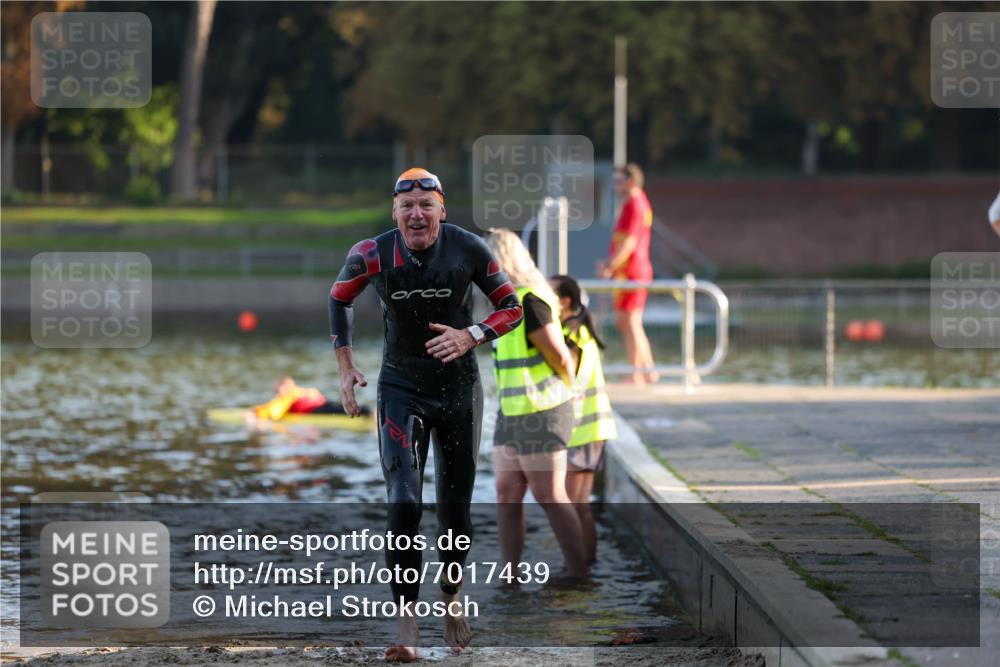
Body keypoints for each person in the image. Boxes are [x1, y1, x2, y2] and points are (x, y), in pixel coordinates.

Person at [329, 168, 522, 661]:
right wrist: (346, 365)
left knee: (454, 511)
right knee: (403, 504)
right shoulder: (371, 253)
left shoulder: (469, 250)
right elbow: (339, 299)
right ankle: (407, 622)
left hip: (459, 389)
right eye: (407, 207)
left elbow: (512, 308)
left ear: (442, 209)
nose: (417, 214)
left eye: (426, 205)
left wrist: (471, 335)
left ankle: (452, 600)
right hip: (400, 387)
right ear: (394, 213)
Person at [486, 229, 588, 582]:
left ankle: (578, 574)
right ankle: (510, 577)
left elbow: (560, 356)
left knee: (548, 494)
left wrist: (571, 393)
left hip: (542, 410)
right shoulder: (501, 305)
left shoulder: (530, 301)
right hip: (511, 413)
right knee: (505, 493)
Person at [549, 275, 617, 564]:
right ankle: (583, 567)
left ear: (564, 302)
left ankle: (580, 569)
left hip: (583, 431)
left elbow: (567, 377)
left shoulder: (572, 336)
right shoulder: (578, 330)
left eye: (548, 294)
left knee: (576, 506)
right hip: (589, 430)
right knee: (579, 505)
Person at [598, 163, 657, 385]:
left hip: (632, 272)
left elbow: (629, 242)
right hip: (629, 271)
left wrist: (610, 266)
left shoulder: (634, 204)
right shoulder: (636, 203)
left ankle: (637, 373)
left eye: (619, 181)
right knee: (627, 321)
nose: (615, 186)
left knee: (630, 321)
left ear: (630, 182)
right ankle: (647, 371)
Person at [249, 376, 371, 421]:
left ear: (285, 387)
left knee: (341, 409)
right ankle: (368, 411)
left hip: (318, 409)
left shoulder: (289, 396)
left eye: (277, 390)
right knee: (342, 407)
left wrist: (257, 413)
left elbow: (274, 412)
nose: (276, 393)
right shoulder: (300, 391)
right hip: (323, 404)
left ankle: (369, 412)